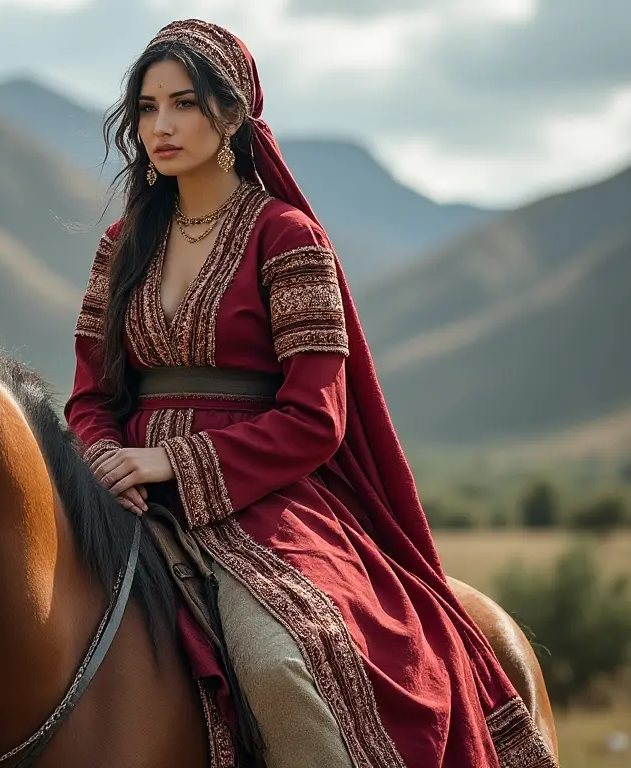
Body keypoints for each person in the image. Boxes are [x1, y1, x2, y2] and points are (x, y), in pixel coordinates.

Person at [65, 18, 558, 768]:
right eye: (146, 107)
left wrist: (171, 464)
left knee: (278, 665)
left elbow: (315, 418)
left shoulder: (287, 238)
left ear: (232, 115)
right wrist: (105, 460)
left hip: (264, 502)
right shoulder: (120, 245)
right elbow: (91, 393)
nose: (159, 126)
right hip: (119, 490)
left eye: (183, 104)